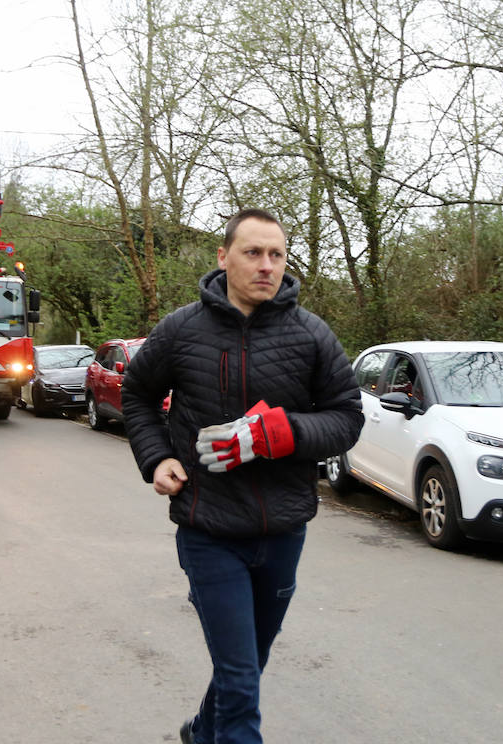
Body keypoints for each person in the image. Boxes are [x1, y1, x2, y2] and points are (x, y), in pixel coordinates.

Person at [121, 208, 363, 743]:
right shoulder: (183, 329)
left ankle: (201, 732)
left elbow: (347, 418)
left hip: (283, 530)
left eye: (276, 254)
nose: (266, 265)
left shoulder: (311, 334)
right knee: (238, 677)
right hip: (209, 528)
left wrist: (281, 434)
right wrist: (156, 458)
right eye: (253, 252)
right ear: (223, 256)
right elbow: (136, 394)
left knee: (248, 665)